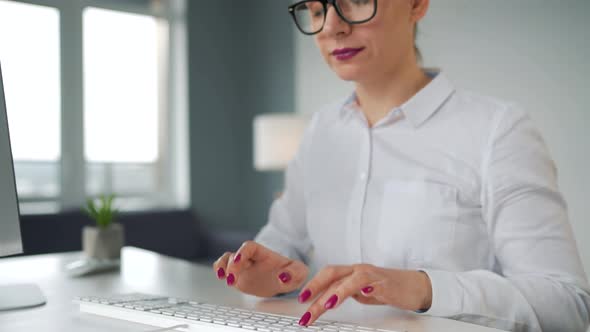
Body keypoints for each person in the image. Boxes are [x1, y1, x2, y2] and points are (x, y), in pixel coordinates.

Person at [212, 1, 590, 331]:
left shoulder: (498, 129)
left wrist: (424, 288)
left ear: (416, 4)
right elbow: (279, 244)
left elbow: (566, 305)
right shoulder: (320, 132)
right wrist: (262, 275)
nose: (331, 26)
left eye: (357, 0)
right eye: (316, 9)